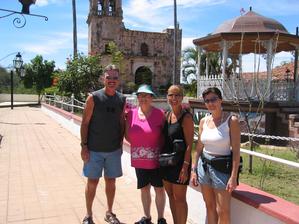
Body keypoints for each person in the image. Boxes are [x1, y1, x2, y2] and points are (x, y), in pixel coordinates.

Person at [80, 64, 126, 224]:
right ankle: (88, 215)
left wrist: (120, 143)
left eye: (115, 77)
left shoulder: (122, 99)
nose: (111, 80)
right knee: (92, 182)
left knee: (111, 182)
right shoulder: (94, 98)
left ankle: (109, 213)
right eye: (109, 77)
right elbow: (85, 123)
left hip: (113, 150)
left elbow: (121, 122)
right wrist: (84, 146)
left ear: (118, 80)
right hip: (94, 150)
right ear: (103, 79)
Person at [191, 87, 240, 224]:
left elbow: (236, 151)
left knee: (223, 211)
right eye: (207, 101)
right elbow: (199, 148)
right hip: (204, 167)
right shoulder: (203, 121)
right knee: (209, 206)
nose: (210, 103)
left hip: (222, 168)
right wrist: (194, 170)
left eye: (213, 99)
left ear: (221, 100)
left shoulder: (232, 120)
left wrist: (233, 177)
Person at [125, 84, 167, 224]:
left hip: (156, 160)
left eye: (147, 95)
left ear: (151, 98)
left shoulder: (160, 114)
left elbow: (165, 135)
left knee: (159, 189)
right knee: (144, 189)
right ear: (137, 98)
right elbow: (127, 134)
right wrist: (140, 145)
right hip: (139, 159)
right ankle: (147, 217)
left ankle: (161, 218)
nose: (143, 98)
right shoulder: (131, 114)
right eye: (141, 96)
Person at [160, 85, 194, 224]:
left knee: (180, 200)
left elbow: (189, 145)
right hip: (167, 162)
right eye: (171, 95)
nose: (173, 98)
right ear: (167, 97)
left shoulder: (186, 117)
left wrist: (185, 168)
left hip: (180, 164)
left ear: (182, 97)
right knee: (171, 197)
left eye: (177, 95)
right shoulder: (166, 115)